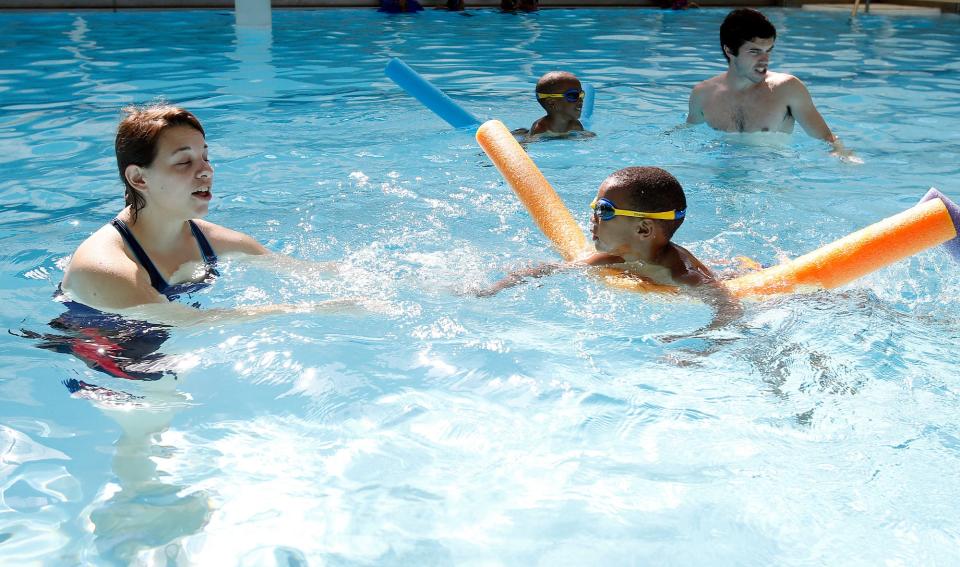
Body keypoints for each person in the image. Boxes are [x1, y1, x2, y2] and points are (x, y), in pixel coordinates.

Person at [58, 103, 366, 328]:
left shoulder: (211, 240)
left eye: (205, 156)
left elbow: (305, 271)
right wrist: (318, 309)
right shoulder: (104, 266)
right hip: (102, 358)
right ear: (139, 178)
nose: (205, 170)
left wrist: (403, 284)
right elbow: (191, 323)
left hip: (159, 342)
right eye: (184, 162)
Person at [477, 167, 741, 329]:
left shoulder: (682, 275)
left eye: (604, 210)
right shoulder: (613, 257)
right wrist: (489, 291)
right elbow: (551, 269)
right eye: (595, 206)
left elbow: (730, 311)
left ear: (643, 229)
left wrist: (697, 346)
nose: (592, 216)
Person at [687, 9, 852, 158]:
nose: (764, 60)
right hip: (720, 180)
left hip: (772, 180)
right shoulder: (702, 94)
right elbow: (687, 137)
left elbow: (828, 140)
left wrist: (846, 158)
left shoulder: (787, 89)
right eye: (754, 51)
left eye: (768, 51)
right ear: (729, 50)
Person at [513, 71, 593, 138]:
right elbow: (525, 144)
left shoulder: (575, 125)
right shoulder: (541, 128)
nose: (581, 99)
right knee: (523, 133)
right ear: (551, 103)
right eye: (573, 95)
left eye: (581, 94)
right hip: (531, 134)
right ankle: (522, 132)